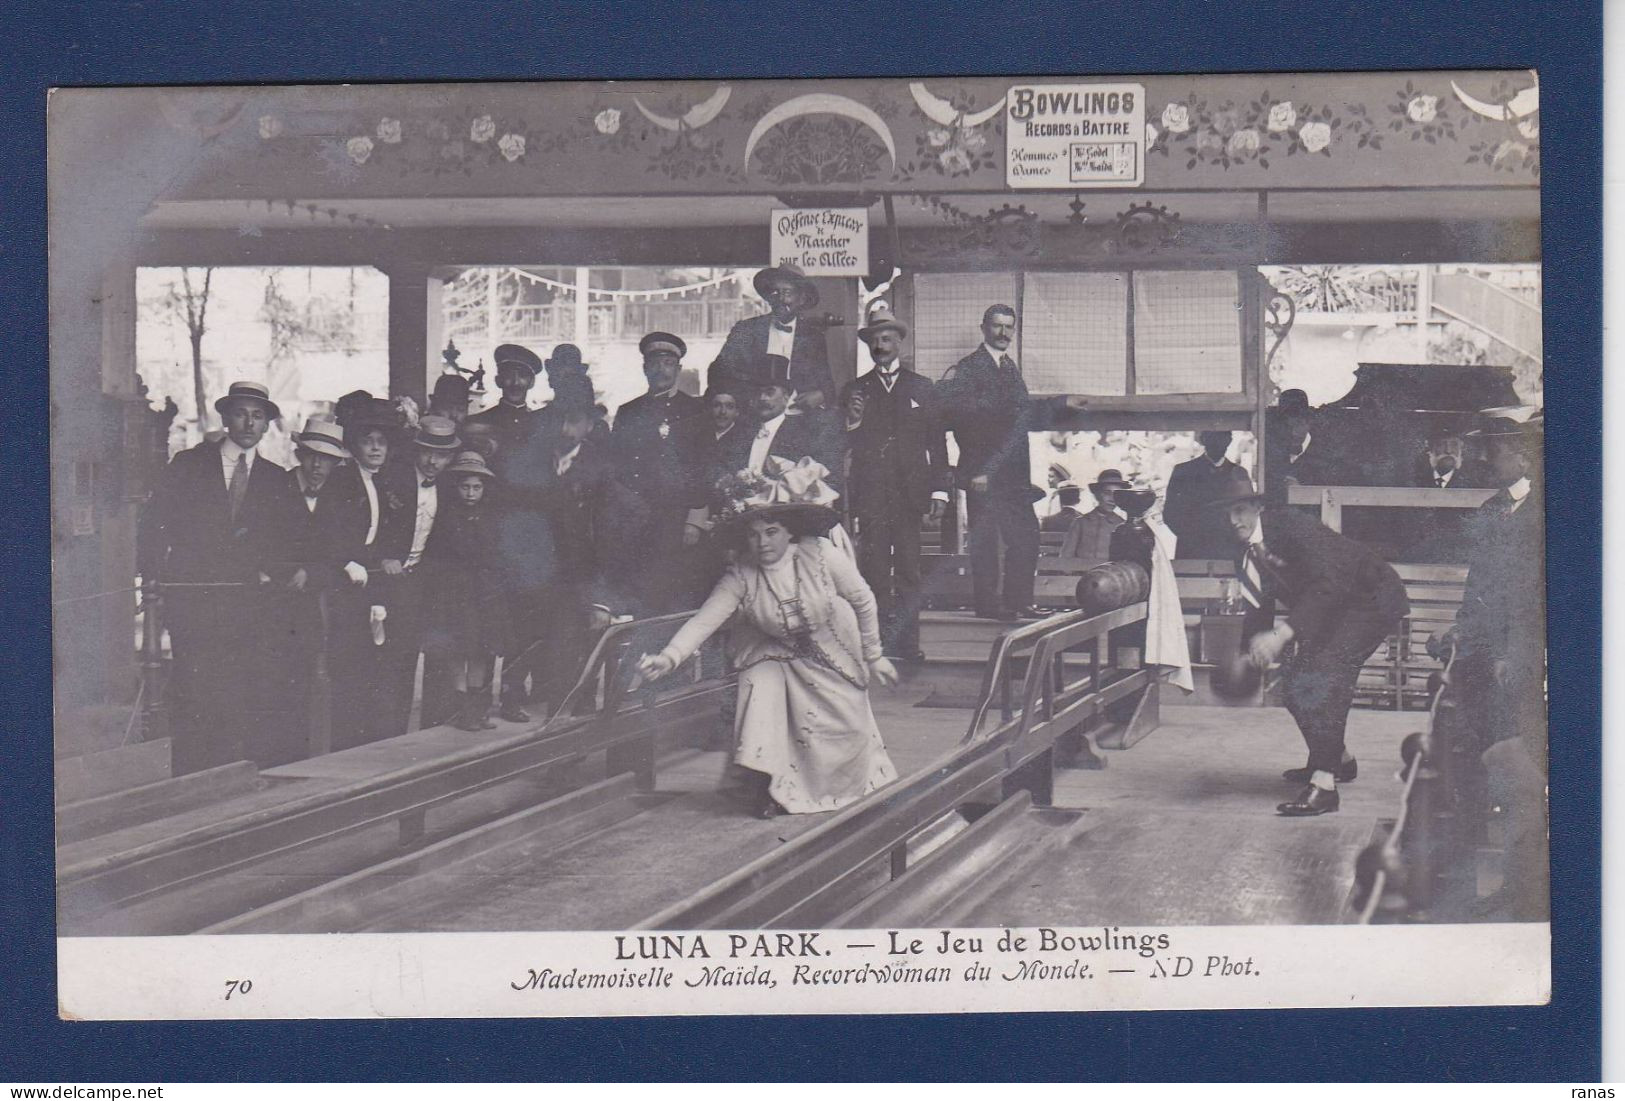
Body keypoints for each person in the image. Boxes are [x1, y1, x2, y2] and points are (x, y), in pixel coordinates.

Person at [634, 467, 899, 818]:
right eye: (754, 535)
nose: (763, 544)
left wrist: (875, 655)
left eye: (772, 532)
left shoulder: (819, 555)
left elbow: (863, 599)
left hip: (832, 645)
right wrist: (667, 658)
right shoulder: (741, 576)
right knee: (760, 690)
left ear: (790, 533)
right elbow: (704, 621)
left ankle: (837, 788)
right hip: (771, 647)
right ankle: (766, 785)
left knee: (841, 725)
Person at [137, 380, 297, 774]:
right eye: (241, 413)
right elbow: (155, 524)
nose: (249, 423)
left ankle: (230, 774)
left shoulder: (277, 479)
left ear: (266, 425)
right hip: (193, 600)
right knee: (195, 688)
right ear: (226, 418)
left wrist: (271, 572)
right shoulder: (190, 464)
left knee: (240, 688)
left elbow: (284, 542)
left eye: (258, 416)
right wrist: (154, 577)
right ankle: (190, 775)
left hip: (248, 606)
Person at [1218, 489, 1410, 816]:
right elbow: (1258, 605)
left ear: (1257, 506)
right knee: (1294, 686)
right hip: (1331, 607)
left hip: (1370, 601)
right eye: (1228, 513)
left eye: (1240, 509)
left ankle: (1324, 786)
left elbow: (1329, 584)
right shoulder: (1246, 548)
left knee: (1326, 674)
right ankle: (1339, 760)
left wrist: (1283, 634)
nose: (1234, 520)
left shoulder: (1293, 527)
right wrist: (1248, 655)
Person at [1443, 411, 1547, 920]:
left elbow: (1537, 596)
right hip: (1485, 658)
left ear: (1523, 454)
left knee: (1522, 766)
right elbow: (1478, 582)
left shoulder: (1552, 510)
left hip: (1527, 661)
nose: (1486, 460)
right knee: (1479, 753)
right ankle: (1485, 873)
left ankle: (1527, 886)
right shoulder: (1490, 510)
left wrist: (1513, 651)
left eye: (1494, 451)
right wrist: (1460, 628)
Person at [493, 393, 624, 720]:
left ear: (590, 425)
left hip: (577, 579)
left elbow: (608, 537)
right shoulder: (530, 460)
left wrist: (600, 597)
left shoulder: (602, 470)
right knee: (524, 637)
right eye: (559, 420)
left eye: (575, 421)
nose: (566, 429)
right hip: (533, 573)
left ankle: (569, 726)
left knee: (571, 654)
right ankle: (513, 696)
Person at [840, 301, 948, 661]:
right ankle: (876, 644)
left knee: (908, 569)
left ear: (899, 342)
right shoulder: (856, 390)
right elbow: (845, 444)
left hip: (908, 496)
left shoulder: (923, 387)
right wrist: (851, 423)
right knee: (872, 570)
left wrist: (939, 491)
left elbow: (937, 443)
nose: (881, 346)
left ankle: (908, 643)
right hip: (870, 494)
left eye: (887, 338)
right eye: (875, 340)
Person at [936, 303, 1043, 621]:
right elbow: (967, 426)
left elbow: (1019, 420)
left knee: (1026, 535)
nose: (1003, 333)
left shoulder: (1009, 367)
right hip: (984, 472)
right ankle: (988, 603)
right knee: (986, 539)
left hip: (1014, 475)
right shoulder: (969, 369)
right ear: (984, 327)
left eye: (1009, 327)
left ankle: (1019, 601)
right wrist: (982, 471)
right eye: (997, 326)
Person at [371, 415, 461, 742]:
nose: (432, 461)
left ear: (450, 457)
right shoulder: (391, 479)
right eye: (426, 452)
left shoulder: (451, 487)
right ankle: (392, 737)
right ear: (416, 450)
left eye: (441, 455)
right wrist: (383, 557)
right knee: (398, 659)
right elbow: (372, 524)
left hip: (430, 581)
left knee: (438, 654)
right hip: (395, 580)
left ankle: (431, 736)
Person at [272, 416, 355, 765]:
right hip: (274, 600)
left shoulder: (338, 499)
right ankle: (277, 758)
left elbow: (338, 553)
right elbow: (260, 541)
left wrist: (313, 573)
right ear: (299, 455)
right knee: (277, 681)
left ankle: (308, 759)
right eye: (311, 456)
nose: (318, 465)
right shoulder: (277, 488)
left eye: (327, 459)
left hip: (316, 603)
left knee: (314, 677)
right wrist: (286, 571)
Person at [610, 332, 707, 614]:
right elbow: (618, 465)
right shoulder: (628, 412)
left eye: (667, 363)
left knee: (674, 594)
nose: (660, 370)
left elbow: (704, 465)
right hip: (636, 518)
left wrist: (695, 520)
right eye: (654, 363)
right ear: (644, 368)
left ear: (678, 369)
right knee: (639, 592)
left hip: (677, 520)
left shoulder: (695, 410)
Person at [423, 450, 513, 732]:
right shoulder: (448, 516)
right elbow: (438, 554)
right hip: (456, 593)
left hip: (485, 593)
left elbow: (498, 552)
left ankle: (475, 709)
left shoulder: (491, 517)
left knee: (481, 650)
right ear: (456, 487)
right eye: (465, 487)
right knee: (458, 651)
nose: (471, 493)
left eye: (477, 487)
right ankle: (461, 708)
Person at [709, 263, 833, 412]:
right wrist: (751, 399)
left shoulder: (813, 337)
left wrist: (821, 394)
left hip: (798, 419)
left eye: (787, 293)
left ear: (801, 299)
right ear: (768, 298)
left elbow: (827, 383)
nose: (780, 299)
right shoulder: (746, 330)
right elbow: (718, 373)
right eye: (775, 293)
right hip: (752, 415)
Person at [1163, 431, 1257, 559]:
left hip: (1230, 552)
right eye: (1212, 438)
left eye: (1223, 438)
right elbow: (1170, 513)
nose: (1218, 443)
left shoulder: (1240, 473)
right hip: (1193, 552)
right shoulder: (1184, 471)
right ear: (1203, 440)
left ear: (1229, 441)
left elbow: (1248, 513)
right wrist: (1193, 538)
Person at [464, 343, 543, 453]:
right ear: (498, 381)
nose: (515, 383)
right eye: (509, 376)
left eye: (522, 376)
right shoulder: (477, 422)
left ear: (531, 383)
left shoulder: (541, 424)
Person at [1058, 469, 1131, 562]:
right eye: (1107, 493)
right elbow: (1066, 557)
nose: (1112, 499)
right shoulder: (1081, 523)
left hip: (1109, 575)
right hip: (1080, 574)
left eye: (1116, 495)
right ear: (1097, 494)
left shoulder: (1121, 526)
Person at [1263, 389, 1321, 504]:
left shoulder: (1322, 454)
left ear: (1309, 422)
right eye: (1286, 425)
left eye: (1298, 424)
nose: (1293, 432)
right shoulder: (1270, 453)